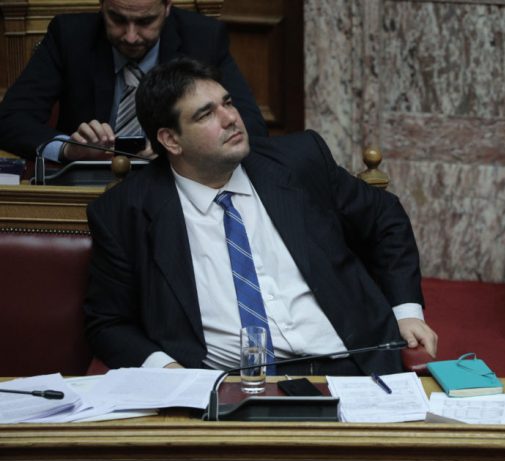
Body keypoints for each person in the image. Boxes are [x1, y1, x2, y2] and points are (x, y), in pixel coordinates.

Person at [84, 57, 438, 375]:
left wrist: (406, 312)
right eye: (206, 114)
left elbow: (385, 219)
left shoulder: (299, 161)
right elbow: (108, 323)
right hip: (229, 386)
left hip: (353, 366)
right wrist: (169, 370)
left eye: (227, 103)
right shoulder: (124, 211)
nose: (230, 118)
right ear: (170, 140)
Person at [0, 0, 266, 163]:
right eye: (117, 19)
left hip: (175, 185)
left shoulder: (203, 38)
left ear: (167, 7)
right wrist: (69, 148)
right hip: (88, 187)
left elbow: (250, 126)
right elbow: (10, 120)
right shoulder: (69, 36)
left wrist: (182, 148)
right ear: (101, 5)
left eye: (145, 21)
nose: (130, 36)